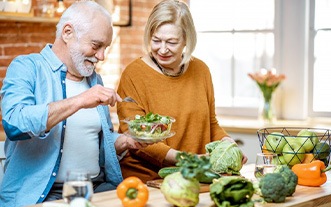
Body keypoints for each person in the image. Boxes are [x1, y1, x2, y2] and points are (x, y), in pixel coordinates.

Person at [0, 1, 147, 206]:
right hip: (44, 194)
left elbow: (88, 138)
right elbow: (15, 124)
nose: (101, 56)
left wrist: (124, 141)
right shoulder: (26, 67)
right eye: (96, 46)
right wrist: (80, 101)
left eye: (105, 48)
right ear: (68, 33)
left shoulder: (94, 80)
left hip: (97, 188)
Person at [116, 0, 248, 183]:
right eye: (156, 40)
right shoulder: (133, 74)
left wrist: (228, 144)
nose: (162, 49)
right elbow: (136, 137)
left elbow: (210, 123)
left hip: (193, 176)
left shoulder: (201, 70)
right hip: (147, 180)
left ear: (187, 39)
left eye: (171, 42)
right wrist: (187, 159)